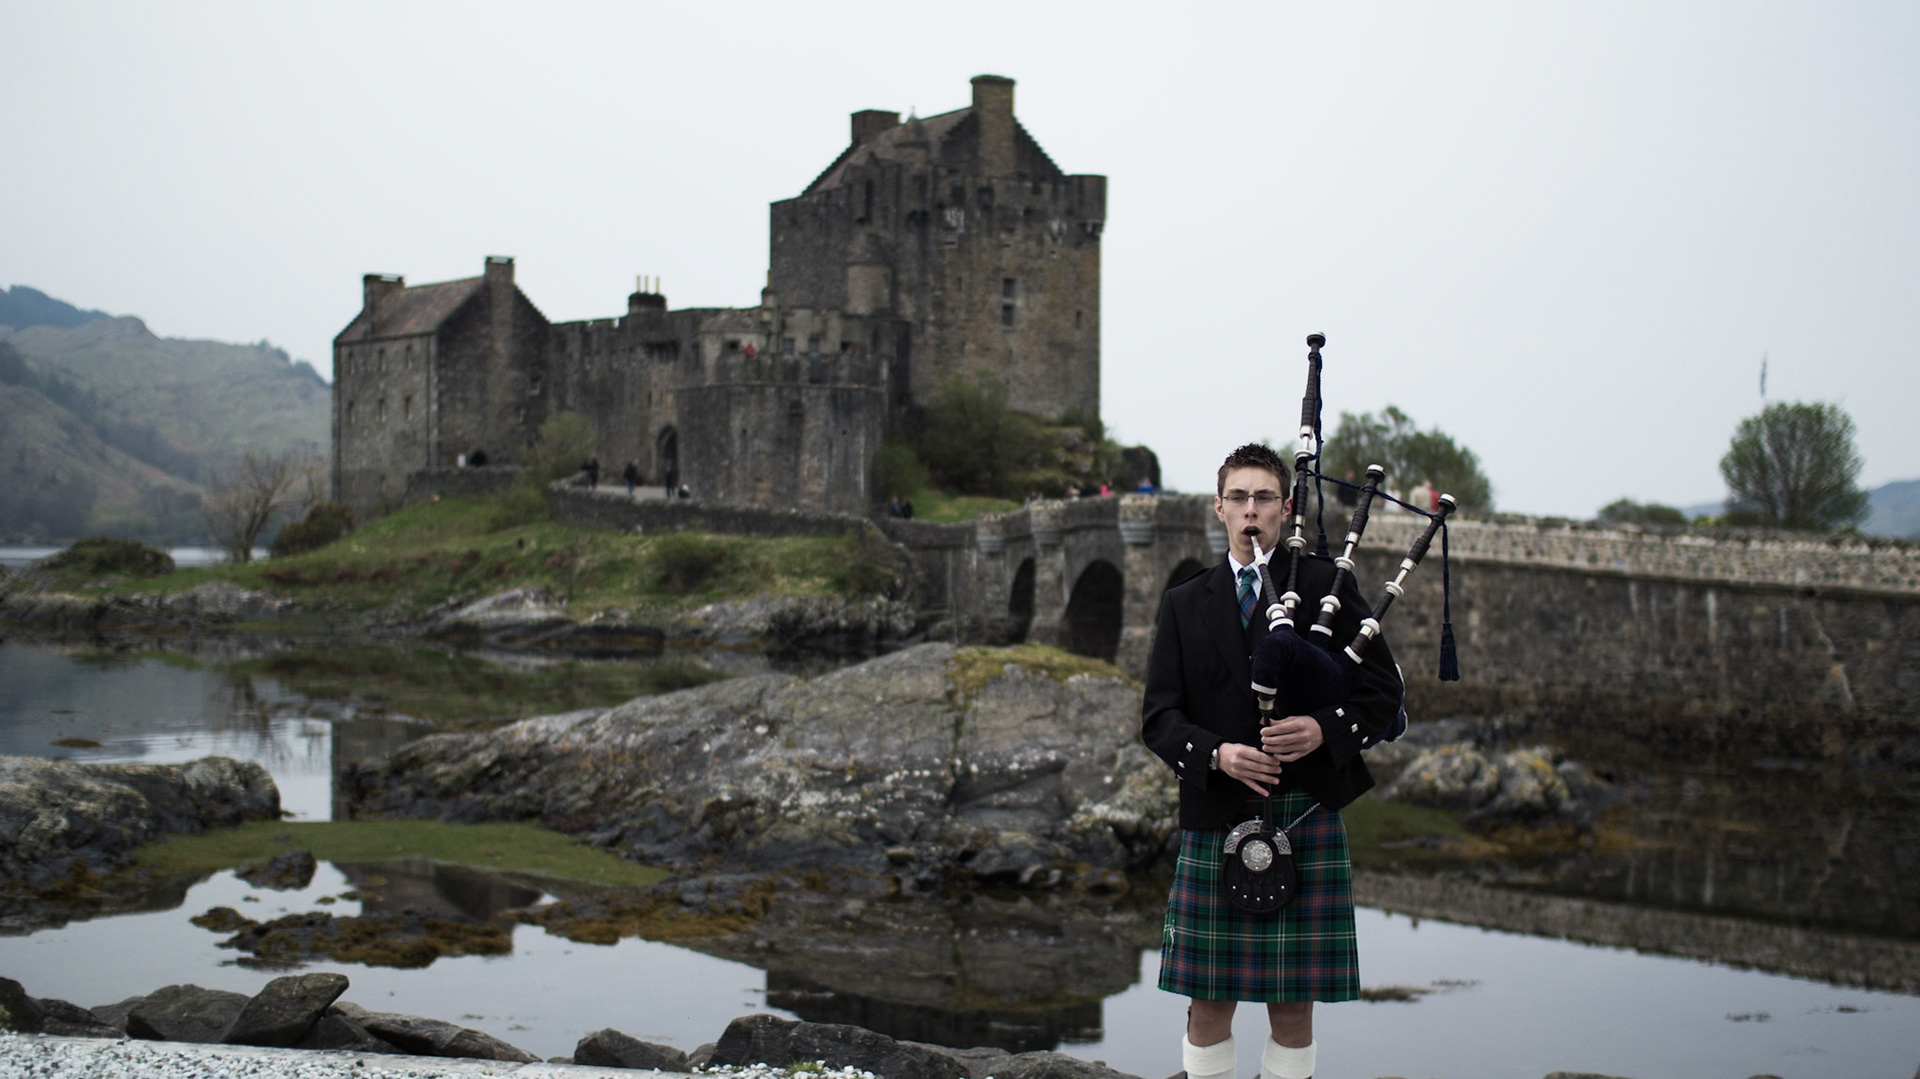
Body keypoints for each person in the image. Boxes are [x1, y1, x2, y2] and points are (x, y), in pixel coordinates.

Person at [1142, 442, 1403, 1079]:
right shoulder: (1186, 601)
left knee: (1291, 1006)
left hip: (1304, 808)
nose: (1250, 511)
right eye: (1238, 498)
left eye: (1263, 498)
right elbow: (1159, 719)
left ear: (1286, 510)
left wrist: (1322, 729)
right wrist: (1218, 754)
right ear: (1219, 509)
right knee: (1208, 1004)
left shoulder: (1325, 586)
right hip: (1217, 811)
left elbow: (1382, 692)